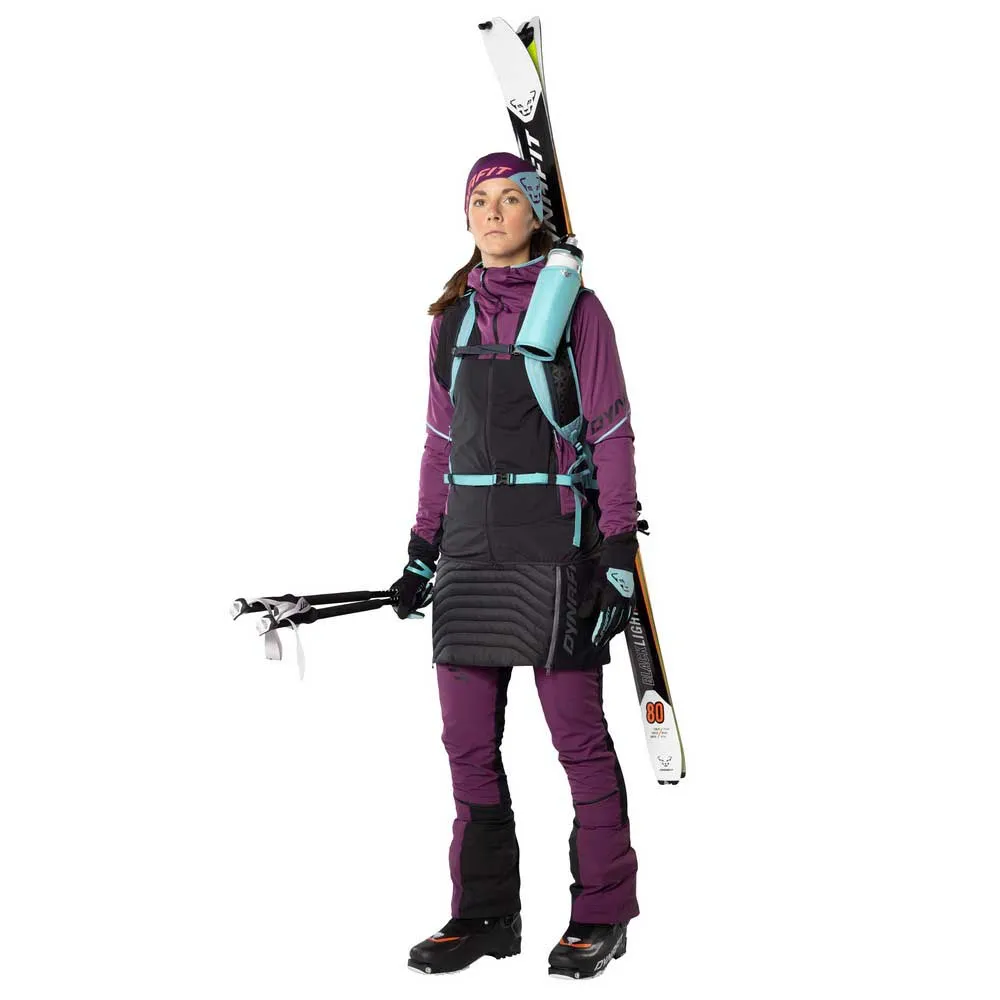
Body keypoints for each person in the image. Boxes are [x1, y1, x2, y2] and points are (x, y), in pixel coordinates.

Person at [394, 151, 639, 980]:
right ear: (466, 217)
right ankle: (484, 915)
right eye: (480, 201)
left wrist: (616, 548)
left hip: (554, 548)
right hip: (469, 554)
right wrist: (421, 548)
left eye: (509, 199)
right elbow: (439, 443)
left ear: (536, 214)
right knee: (466, 743)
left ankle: (602, 913)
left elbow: (611, 431)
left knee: (577, 738)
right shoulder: (451, 320)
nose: (493, 213)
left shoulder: (578, 311)